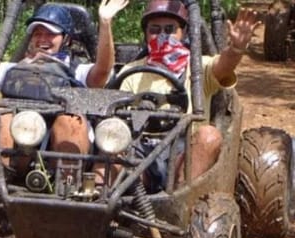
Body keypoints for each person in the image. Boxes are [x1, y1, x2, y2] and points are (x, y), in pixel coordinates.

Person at [0, 0, 129, 175]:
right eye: (38, 33)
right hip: (23, 137)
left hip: (69, 149)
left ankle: (68, 186)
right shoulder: (16, 69)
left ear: (66, 39)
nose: (43, 39)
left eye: (50, 34)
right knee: (3, 116)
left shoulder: (77, 70)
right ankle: (2, 179)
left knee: (69, 122)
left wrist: (105, 23)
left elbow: (103, 70)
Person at [98, 0, 261, 190]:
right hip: (140, 153)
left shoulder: (199, 67)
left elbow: (224, 66)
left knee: (209, 135)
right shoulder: (131, 71)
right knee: (109, 151)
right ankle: (96, 206)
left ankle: (180, 205)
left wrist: (236, 48)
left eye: (170, 29)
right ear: (145, 34)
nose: (162, 35)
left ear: (183, 33)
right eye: (155, 29)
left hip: (186, 152)